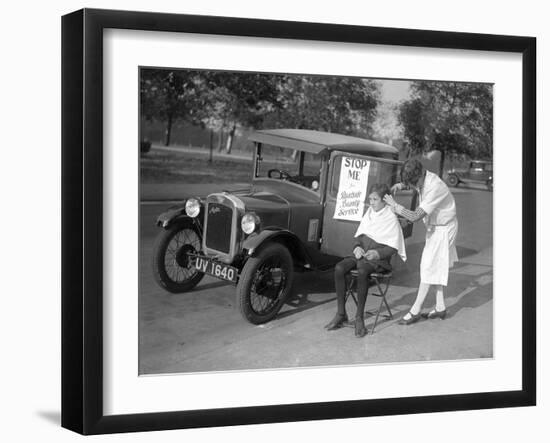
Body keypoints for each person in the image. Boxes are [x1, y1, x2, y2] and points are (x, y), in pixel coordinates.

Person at [325, 183, 407, 337]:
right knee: (339, 268)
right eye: (370, 199)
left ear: (384, 201)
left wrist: (377, 253)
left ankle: (359, 319)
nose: (371, 203)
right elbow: (359, 235)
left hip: (378, 261)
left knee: (362, 271)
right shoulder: (369, 213)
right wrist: (356, 247)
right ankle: (341, 314)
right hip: (362, 255)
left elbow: (393, 248)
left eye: (375, 199)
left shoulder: (391, 218)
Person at [383, 159, 458, 325]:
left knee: (428, 267)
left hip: (444, 229)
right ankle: (440, 307)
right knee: (435, 267)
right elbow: (415, 185)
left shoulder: (434, 187)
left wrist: (395, 206)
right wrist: (401, 185)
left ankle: (415, 310)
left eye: (413, 182)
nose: (413, 186)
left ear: (420, 176)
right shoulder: (423, 178)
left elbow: (415, 216)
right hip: (436, 227)